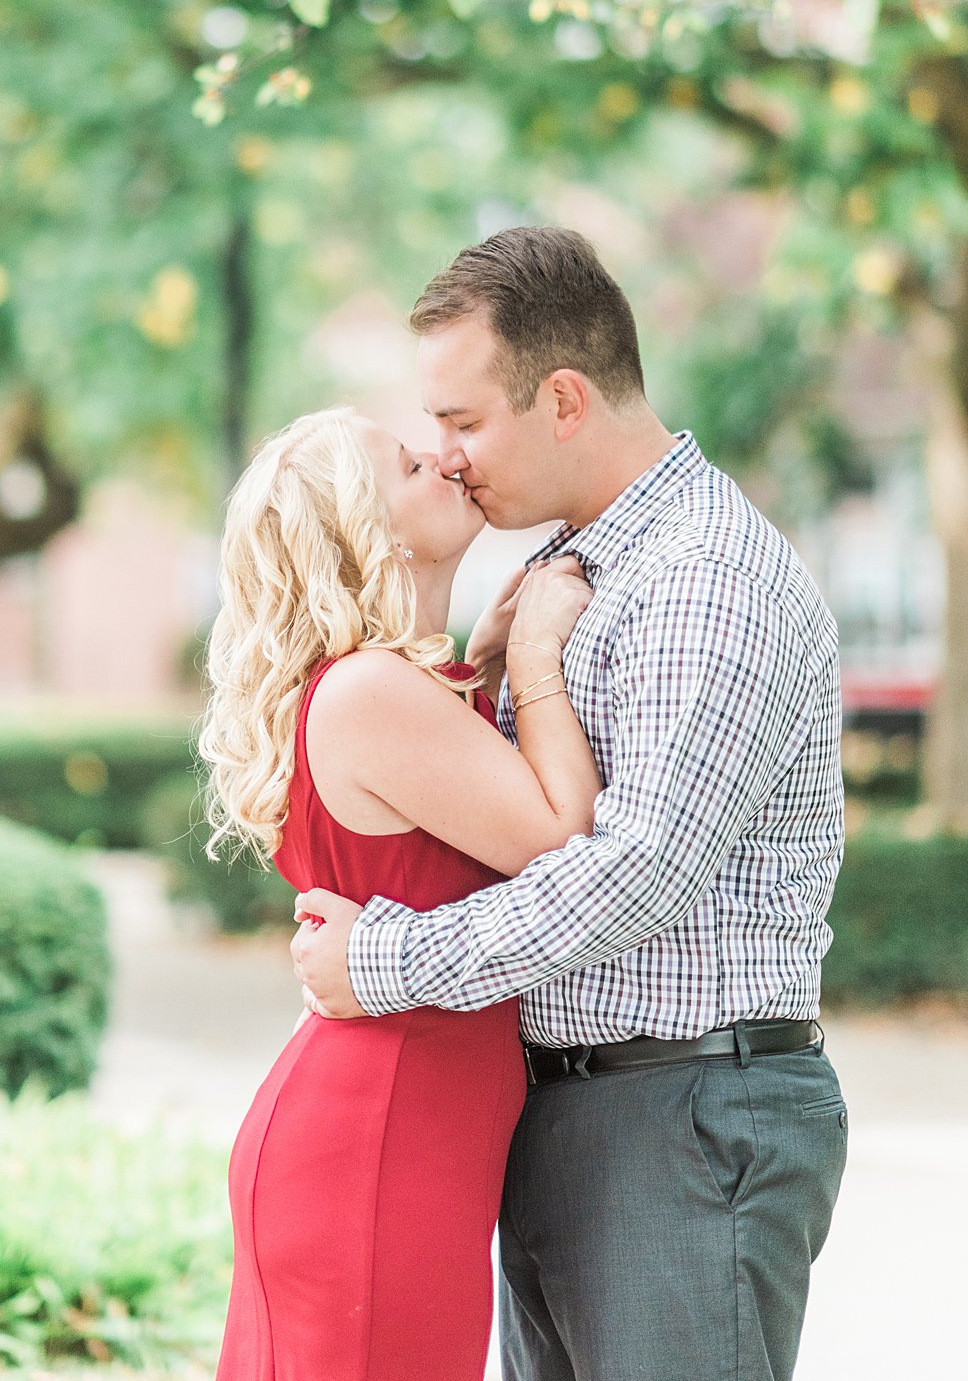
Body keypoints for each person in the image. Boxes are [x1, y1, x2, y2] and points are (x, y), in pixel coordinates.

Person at [293, 226, 848, 1381]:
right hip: (573, 1112)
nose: (446, 457)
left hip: (685, 1116)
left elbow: (633, 872)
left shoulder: (705, 576)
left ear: (560, 399)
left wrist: (389, 961)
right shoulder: (571, 568)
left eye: (463, 421)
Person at [200, 406, 602, 1381]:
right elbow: (560, 839)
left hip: (389, 1135)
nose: (446, 458)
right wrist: (539, 660)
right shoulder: (369, 692)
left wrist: (492, 658)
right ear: (362, 534)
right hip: (378, 1154)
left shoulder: (388, 688)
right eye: (410, 462)